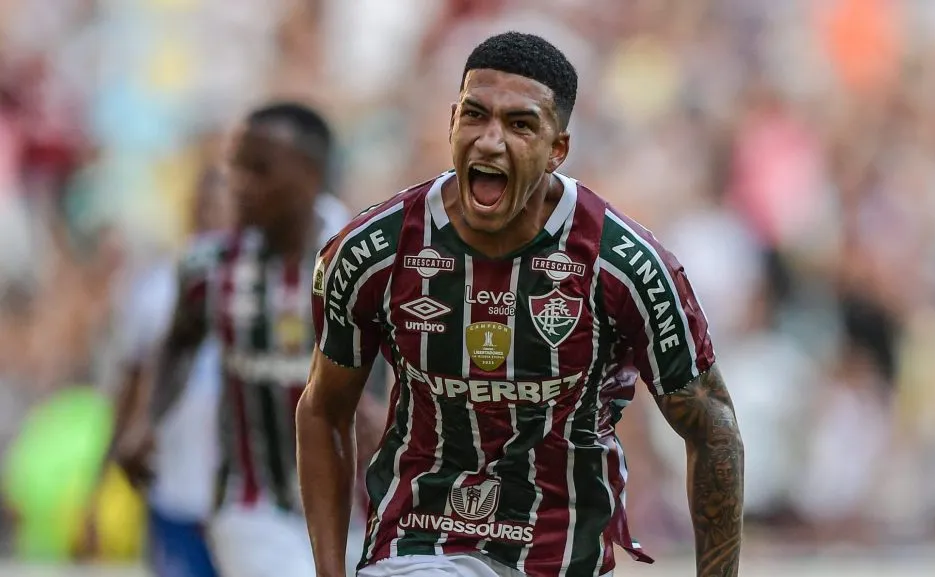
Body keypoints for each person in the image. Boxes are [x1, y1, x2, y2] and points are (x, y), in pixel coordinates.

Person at [298, 32, 745, 577]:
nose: (489, 141)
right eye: (475, 116)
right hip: (419, 546)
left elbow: (712, 426)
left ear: (558, 149)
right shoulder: (375, 250)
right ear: (451, 123)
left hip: (561, 558)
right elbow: (324, 408)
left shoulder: (625, 265)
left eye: (520, 125)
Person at [122, 102, 383, 577]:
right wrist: (148, 419)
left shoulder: (368, 259)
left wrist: (387, 412)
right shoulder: (209, 265)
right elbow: (180, 343)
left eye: (259, 169)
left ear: (311, 175)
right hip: (252, 503)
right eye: (235, 167)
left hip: (362, 508)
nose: (238, 184)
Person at [106, 166, 229, 577]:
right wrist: (120, 447)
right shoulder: (156, 288)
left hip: (242, 495)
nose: (211, 215)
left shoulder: (266, 284)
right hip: (175, 485)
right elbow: (131, 380)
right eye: (204, 204)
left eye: (222, 204)